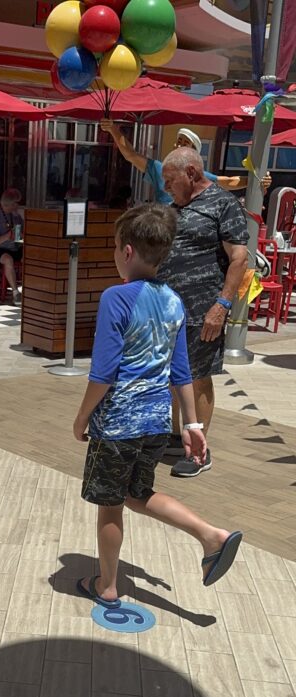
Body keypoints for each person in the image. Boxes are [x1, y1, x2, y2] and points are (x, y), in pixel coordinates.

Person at [73, 203, 242, 607]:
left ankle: (107, 586)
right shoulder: (172, 300)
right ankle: (210, 535)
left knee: (110, 505)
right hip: (154, 424)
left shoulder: (117, 297)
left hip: (117, 424)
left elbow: (104, 373)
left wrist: (81, 419)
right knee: (137, 493)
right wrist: (193, 426)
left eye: (115, 247)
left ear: (127, 251)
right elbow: (181, 372)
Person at [157, 147, 248, 477]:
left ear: (192, 173)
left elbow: (239, 258)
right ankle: (172, 434)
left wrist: (222, 306)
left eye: (170, 180)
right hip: (169, 310)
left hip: (203, 309)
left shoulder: (223, 205)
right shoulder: (175, 208)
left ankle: (198, 450)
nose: (166, 187)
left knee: (196, 377)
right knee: (170, 377)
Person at [100, 121, 272, 204]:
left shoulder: (201, 176)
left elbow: (229, 181)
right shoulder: (159, 168)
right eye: (179, 141)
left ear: (193, 153)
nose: (180, 144)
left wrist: (256, 179)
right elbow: (130, 155)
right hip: (165, 233)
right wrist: (113, 129)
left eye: (186, 143)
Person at [0, 188, 24, 304]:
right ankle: (15, 292)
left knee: (30, 256)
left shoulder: (16, 217)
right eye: (16, 203)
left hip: (14, 247)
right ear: (11, 203)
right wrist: (7, 236)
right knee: (8, 259)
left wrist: (20, 237)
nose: (18, 205)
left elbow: (18, 239)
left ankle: (30, 289)